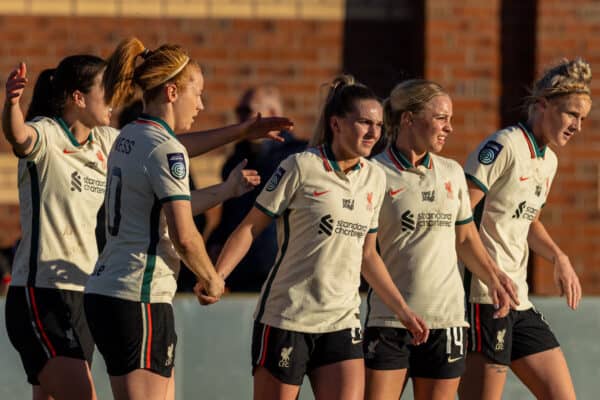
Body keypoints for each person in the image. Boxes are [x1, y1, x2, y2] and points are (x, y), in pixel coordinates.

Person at [83, 37, 292, 400]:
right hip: (139, 295)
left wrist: (240, 139)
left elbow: (173, 162)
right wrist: (212, 278)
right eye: (197, 93)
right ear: (172, 91)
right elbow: (185, 236)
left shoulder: (130, 136)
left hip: (111, 291)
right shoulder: (164, 150)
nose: (202, 104)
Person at [207, 75, 429, 400]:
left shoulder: (374, 177)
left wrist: (403, 311)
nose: (373, 132)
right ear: (336, 123)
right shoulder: (300, 166)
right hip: (287, 319)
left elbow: (368, 255)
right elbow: (249, 227)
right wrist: (218, 276)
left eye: (378, 125)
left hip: (341, 321)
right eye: (364, 122)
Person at [363, 79, 519, 400]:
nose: (449, 128)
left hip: (447, 320)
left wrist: (495, 277)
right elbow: (364, 253)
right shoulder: (373, 173)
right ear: (408, 119)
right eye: (441, 118)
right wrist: (402, 310)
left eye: (450, 119)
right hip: (391, 320)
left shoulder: (451, 172)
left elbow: (465, 239)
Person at [458, 58, 591, 400]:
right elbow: (457, 217)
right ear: (543, 104)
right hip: (484, 299)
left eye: (583, 118)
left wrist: (559, 257)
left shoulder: (549, 160)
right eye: (571, 114)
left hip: (518, 299)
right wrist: (489, 273)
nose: (578, 125)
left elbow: (527, 220)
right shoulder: (504, 145)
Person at [3, 56, 117, 400]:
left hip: (83, 294)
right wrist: (11, 104)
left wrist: (241, 132)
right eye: (105, 90)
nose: (113, 99)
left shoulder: (105, 142)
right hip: (41, 293)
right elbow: (18, 136)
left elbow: (165, 149)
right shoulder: (48, 134)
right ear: (78, 98)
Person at [207, 85, 307, 291]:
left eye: (247, 111)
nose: (241, 118)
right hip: (242, 273)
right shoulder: (237, 160)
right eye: (238, 112)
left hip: (282, 274)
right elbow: (231, 214)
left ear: (272, 114)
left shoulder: (299, 158)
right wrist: (216, 243)